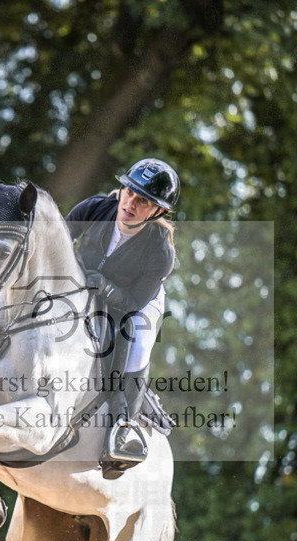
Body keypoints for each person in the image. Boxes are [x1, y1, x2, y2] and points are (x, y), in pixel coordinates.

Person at [65, 158, 179, 474]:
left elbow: (130, 303)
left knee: (137, 341)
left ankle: (122, 427)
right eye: (129, 191)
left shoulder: (160, 251)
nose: (130, 203)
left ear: (157, 211)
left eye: (143, 201)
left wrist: (103, 285)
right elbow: (56, 240)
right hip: (80, 286)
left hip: (136, 302)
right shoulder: (96, 208)